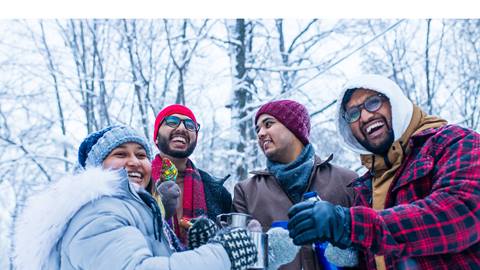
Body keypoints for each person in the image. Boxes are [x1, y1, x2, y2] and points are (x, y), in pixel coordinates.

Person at [288, 74, 480, 269]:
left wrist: (349, 224)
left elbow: (461, 215)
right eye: (353, 114)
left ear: (395, 101)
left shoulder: (455, 142)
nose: (364, 117)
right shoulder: (365, 188)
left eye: (373, 102)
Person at [13, 125, 257, 270]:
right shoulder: (98, 211)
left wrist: (196, 250)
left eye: (141, 155)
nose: (133, 162)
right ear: (97, 166)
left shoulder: (134, 209)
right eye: (120, 154)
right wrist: (222, 254)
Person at [233, 100, 358, 270]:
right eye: (257, 129)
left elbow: (371, 245)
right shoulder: (246, 191)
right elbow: (238, 259)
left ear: (295, 128)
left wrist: (349, 251)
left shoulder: (346, 180)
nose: (261, 133)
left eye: (268, 124)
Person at [152, 104, 232, 244]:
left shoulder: (218, 193)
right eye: (172, 121)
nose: (182, 128)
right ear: (156, 137)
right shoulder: (139, 183)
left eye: (190, 125)